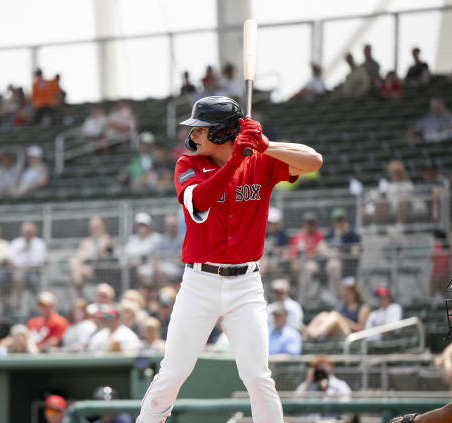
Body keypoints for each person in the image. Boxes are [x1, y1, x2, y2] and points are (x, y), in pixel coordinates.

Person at [137, 95, 322, 423]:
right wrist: (237, 159)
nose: (193, 136)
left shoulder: (260, 159)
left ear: (222, 133)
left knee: (256, 375)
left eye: (201, 130)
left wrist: (265, 145)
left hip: (246, 284)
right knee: (173, 372)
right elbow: (200, 202)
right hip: (200, 282)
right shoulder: (188, 164)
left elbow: (313, 161)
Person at [305, 277, 370, 340]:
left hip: (350, 335)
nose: (345, 293)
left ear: (355, 292)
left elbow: (361, 329)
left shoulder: (363, 307)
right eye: (344, 291)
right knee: (323, 314)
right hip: (335, 333)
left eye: (348, 291)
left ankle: (315, 335)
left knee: (335, 316)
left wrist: (343, 320)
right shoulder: (341, 306)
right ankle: (307, 333)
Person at [69, 216, 115, 298]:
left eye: (97, 227)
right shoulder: (86, 241)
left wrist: (91, 258)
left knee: (78, 269)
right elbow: (80, 256)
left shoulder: (107, 240)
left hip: (102, 269)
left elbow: (105, 256)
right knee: (74, 262)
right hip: (88, 266)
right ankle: (80, 295)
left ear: (103, 227)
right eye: (93, 227)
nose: (95, 229)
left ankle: (80, 296)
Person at [9, 221, 47, 311]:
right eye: (26, 232)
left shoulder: (40, 243)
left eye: (30, 232)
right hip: (17, 274)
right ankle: (18, 306)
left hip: (35, 274)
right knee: (18, 276)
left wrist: (24, 267)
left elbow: (39, 262)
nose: (28, 234)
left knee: (19, 276)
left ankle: (38, 307)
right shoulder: (16, 243)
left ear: (34, 232)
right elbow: (11, 260)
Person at [324, 207, 361, 298]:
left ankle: (338, 296)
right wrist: (331, 253)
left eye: (341, 220)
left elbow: (355, 252)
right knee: (332, 264)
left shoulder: (351, 235)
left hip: (346, 264)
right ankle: (337, 295)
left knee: (334, 265)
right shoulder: (330, 234)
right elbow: (320, 247)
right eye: (337, 220)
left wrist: (340, 253)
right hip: (330, 262)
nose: (339, 223)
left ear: (345, 220)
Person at [260, 207, 289, 280]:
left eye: (274, 223)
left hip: (278, 260)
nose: (271, 226)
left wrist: (277, 250)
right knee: (263, 263)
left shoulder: (283, 235)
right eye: (270, 223)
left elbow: (286, 250)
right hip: (264, 259)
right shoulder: (262, 234)